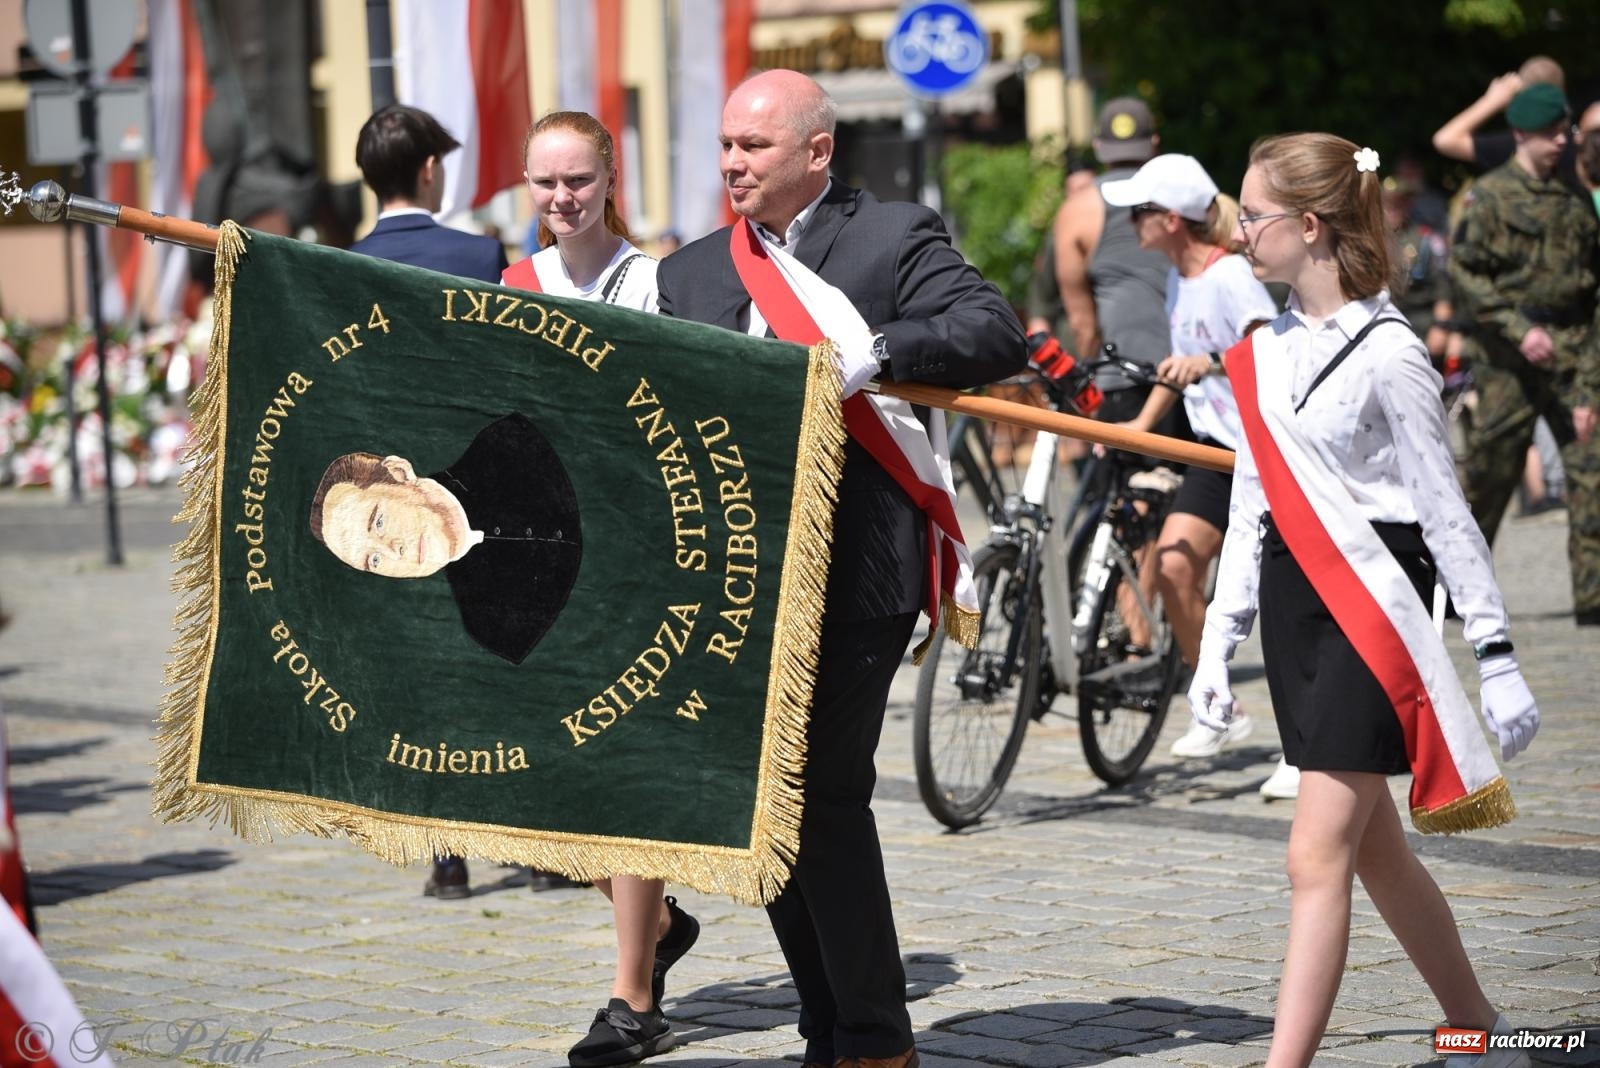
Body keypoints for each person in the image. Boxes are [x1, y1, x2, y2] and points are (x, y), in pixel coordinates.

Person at [656, 69, 1026, 1068]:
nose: (731, 162)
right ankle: (828, 1020)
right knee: (763, 801)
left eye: (753, 147)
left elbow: (990, 333)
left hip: (861, 567)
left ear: (815, 152)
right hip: (741, 579)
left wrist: (881, 348)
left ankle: (872, 1034)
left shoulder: (889, 235)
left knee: (822, 793)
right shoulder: (690, 274)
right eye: (727, 144)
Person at [1189, 132, 1540, 1068]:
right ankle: (1477, 1024)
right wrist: (1219, 642)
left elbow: (1445, 510)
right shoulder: (1262, 350)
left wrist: (1496, 655)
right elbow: (1251, 499)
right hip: (1295, 602)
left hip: (1373, 608)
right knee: (1376, 850)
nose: (1239, 232)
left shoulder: (1393, 353)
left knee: (1315, 855)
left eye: (1253, 215)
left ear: (1309, 227)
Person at [499, 110, 698, 1068]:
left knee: (620, 766)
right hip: (539, 545)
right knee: (538, 776)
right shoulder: (514, 282)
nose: (561, 198)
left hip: (631, 545)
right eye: (544, 182)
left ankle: (632, 997)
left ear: (610, 178)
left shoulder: (657, 282)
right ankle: (652, 924)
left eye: (577, 180)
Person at [348, 103, 509, 902]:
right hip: (473, 477)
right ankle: (537, 836)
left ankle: (447, 852)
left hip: (390, 491)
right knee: (497, 667)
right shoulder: (477, 253)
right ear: (428, 170)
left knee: (427, 678)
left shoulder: (344, 265)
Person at [1095, 155, 1287, 790]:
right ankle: (1215, 703)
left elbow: (1270, 352)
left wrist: (1209, 362)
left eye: (1139, 212)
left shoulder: (1229, 275)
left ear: (1171, 220)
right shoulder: (1179, 279)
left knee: (1284, 603)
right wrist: (1133, 432)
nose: (1129, 222)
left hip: (1265, 457)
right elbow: (1175, 371)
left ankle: (1302, 747)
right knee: (1174, 568)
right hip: (1213, 455)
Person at [1449, 83, 1600, 626]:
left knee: (1591, 471)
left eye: (1565, 131)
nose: (1563, 140)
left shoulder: (1574, 200)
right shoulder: (1488, 196)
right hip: (1507, 362)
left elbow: (1591, 293)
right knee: (1489, 478)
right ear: (1522, 134)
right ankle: (1456, 594)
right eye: (1552, 132)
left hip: (1570, 355)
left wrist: (1587, 382)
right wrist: (1516, 327)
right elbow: (1465, 272)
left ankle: (1593, 601)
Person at [307, 414, 584, 663]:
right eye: (374, 560)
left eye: (379, 522)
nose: (395, 550)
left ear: (399, 473)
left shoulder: (510, 442)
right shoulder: (489, 628)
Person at [1053, 97, 1179, 427]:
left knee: (1125, 478)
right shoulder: (1181, 195)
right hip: (1188, 373)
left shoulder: (1076, 210)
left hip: (1119, 377)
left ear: (1097, 146)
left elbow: (1083, 324)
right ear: (1153, 142)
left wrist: (1089, 396)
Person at [1431, 57, 1586, 196]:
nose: (1558, 141)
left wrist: (1492, 100)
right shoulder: (1582, 146)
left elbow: (1444, 140)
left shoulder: (1519, 145)